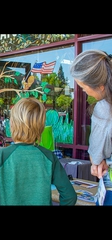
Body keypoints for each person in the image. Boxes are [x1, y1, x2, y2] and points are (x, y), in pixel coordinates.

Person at [0, 97, 77, 205]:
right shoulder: (49, 157)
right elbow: (69, 196)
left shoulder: (1, 156)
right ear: (41, 127)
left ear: (12, 124)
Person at [70, 49, 112, 205]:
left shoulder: (104, 108)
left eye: (83, 86)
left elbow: (96, 156)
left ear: (100, 86)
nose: (83, 90)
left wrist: (97, 162)